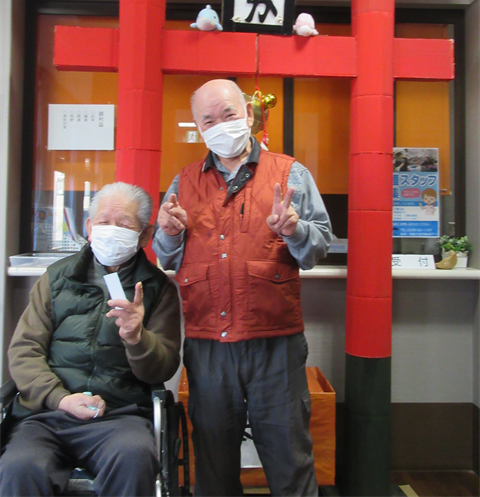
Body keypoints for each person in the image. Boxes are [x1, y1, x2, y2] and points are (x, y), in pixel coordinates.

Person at [153, 79, 332, 497]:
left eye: (229, 114)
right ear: (199, 127)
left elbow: (318, 246)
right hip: (207, 344)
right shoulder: (184, 181)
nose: (220, 125)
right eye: (208, 120)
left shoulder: (290, 173)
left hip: (275, 342)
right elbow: (166, 256)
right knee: (212, 464)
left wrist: (295, 229)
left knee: (290, 458)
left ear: (249, 115)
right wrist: (168, 233)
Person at [0, 182, 181, 497]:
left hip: (119, 416)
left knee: (134, 459)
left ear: (144, 235)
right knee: (21, 466)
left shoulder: (157, 289)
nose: (112, 230)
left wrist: (137, 338)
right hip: (47, 414)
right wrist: (60, 398)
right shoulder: (57, 278)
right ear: (88, 227)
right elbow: (24, 351)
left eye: (124, 225)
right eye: (103, 222)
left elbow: (162, 369)